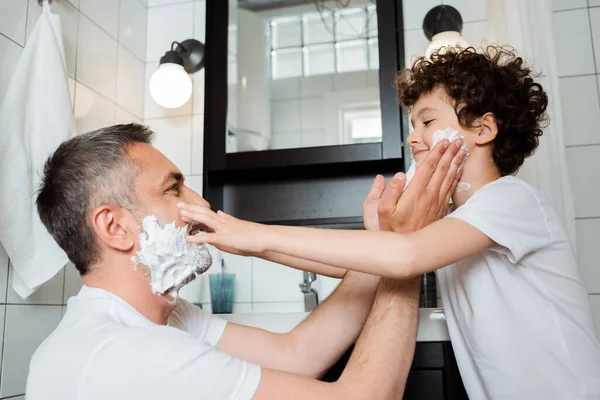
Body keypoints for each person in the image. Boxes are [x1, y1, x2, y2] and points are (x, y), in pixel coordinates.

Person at [180, 47, 600, 399]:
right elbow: (363, 267)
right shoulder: (457, 225)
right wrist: (238, 238)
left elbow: (403, 256)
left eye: (428, 121)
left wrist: (255, 233)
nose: (413, 137)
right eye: (411, 125)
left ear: (483, 128)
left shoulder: (510, 199)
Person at [26, 123, 465, 400]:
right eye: (173, 190)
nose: (198, 203)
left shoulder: (161, 317)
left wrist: (384, 246)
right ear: (115, 227)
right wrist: (407, 253)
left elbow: (294, 354)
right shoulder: (125, 353)